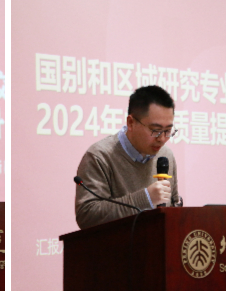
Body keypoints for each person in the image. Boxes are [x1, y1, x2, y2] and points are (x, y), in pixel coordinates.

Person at [75, 85, 180, 226]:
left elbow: (174, 206)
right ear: (131, 123)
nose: (162, 139)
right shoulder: (99, 156)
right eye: (155, 130)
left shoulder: (166, 155)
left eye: (168, 130)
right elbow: (87, 216)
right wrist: (145, 198)